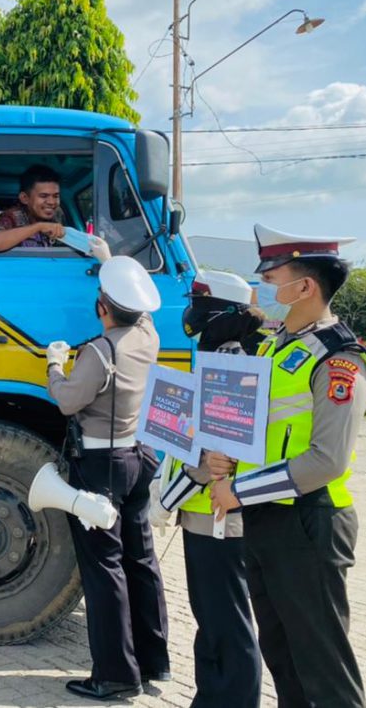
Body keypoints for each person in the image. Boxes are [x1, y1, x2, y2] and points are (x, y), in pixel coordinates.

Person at [210, 225, 366, 708]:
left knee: (323, 665)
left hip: (311, 520)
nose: (263, 286)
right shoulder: (276, 345)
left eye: (271, 276)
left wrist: (239, 490)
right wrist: (227, 457)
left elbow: (326, 459)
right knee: (282, 656)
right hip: (270, 518)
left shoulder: (339, 359)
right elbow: (265, 428)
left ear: (305, 286)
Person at [45, 254, 169, 701]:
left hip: (101, 465)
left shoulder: (101, 351)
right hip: (139, 458)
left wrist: (54, 365)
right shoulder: (146, 337)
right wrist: (110, 262)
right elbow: (143, 310)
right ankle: (155, 662)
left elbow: (68, 401)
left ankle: (115, 675)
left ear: (103, 307)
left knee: (104, 570)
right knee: (140, 560)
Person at [153, 270, 265, 708]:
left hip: (223, 513)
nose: (193, 314)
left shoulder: (235, 360)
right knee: (212, 620)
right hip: (202, 510)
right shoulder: (216, 356)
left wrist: (177, 491)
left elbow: (226, 449)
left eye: (202, 305)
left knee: (228, 623)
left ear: (225, 312)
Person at [0, 164, 66, 252]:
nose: (51, 202)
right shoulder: (12, 216)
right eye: (43, 196)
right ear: (25, 198)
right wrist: (38, 227)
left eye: (56, 196)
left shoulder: (58, 214)